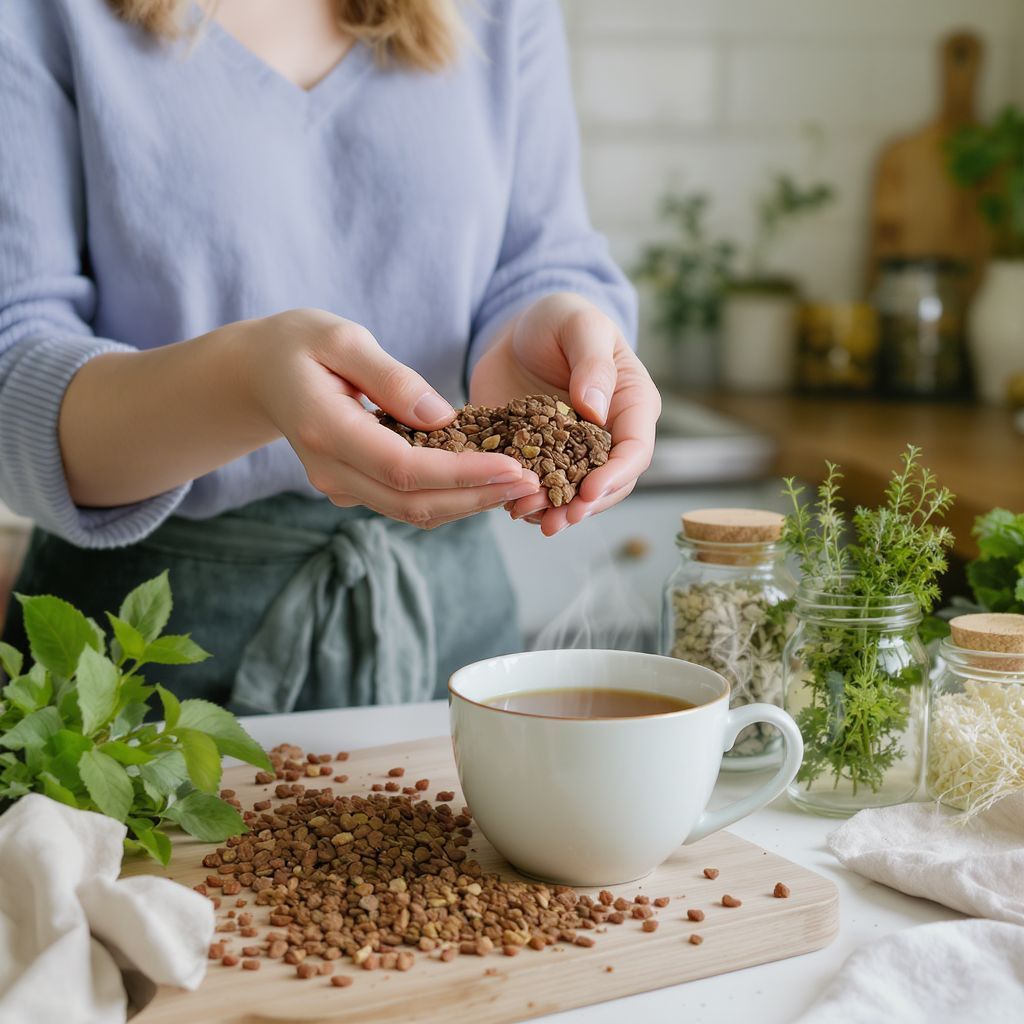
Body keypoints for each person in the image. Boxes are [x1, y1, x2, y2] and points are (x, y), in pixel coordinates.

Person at [0, 0, 659, 713]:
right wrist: (246, 382)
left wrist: (541, 327)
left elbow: (541, 254)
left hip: (452, 635)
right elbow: (15, 369)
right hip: (137, 662)